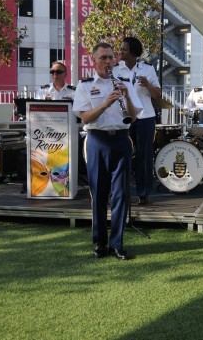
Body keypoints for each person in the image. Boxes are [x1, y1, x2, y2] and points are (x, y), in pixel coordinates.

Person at [72, 42, 142, 261]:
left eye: (111, 57)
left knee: (122, 194)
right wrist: (105, 103)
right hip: (97, 141)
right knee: (99, 195)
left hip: (121, 139)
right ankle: (100, 242)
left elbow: (134, 115)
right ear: (94, 61)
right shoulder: (84, 86)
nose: (108, 61)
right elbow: (84, 118)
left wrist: (126, 97)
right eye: (103, 58)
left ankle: (117, 244)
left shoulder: (124, 83)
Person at [113, 37, 161, 205]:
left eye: (124, 49)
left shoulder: (148, 69)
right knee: (121, 155)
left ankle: (143, 193)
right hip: (124, 117)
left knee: (144, 156)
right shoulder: (115, 70)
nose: (120, 52)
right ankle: (120, 192)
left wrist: (148, 85)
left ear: (133, 51)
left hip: (145, 117)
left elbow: (157, 94)